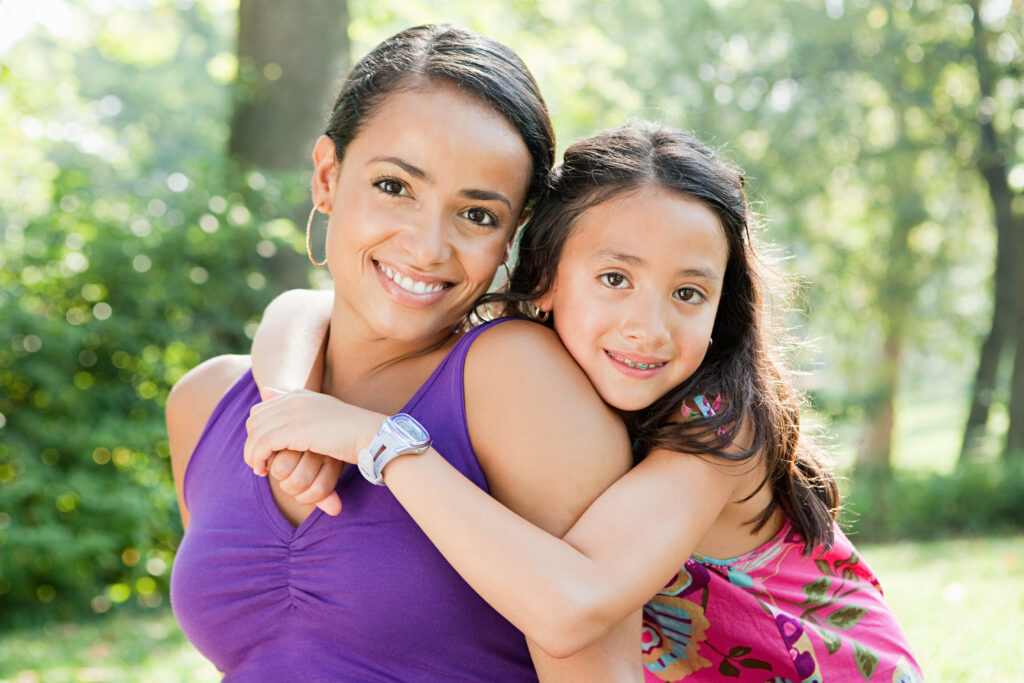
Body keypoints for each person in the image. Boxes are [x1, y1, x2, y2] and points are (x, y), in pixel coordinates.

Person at [245, 123, 924, 682]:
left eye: (688, 293)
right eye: (614, 278)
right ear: (541, 278)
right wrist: (288, 409)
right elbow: (300, 307)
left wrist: (382, 444)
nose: (648, 326)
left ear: (722, 308)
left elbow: (575, 603)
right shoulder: (532, 378)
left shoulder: (720, 423)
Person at [166, 25, 641, 682]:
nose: (427, 247)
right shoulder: (206, 403)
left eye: (477, 215)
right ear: (328, 178)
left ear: (511, 237)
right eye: (395, 186)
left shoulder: (515, 380)